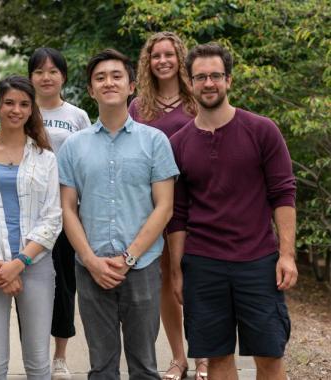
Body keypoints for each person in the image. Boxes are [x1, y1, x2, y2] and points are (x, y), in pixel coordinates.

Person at [167, 42, 298, 380]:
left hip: (258, 262)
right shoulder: (179, 143)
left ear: (229, 80)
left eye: (215, 76)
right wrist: (177, 271)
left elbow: (283, 194)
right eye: (200, 77)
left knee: (269, 357)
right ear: (190, 83)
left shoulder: (262, 130)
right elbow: (177, 214)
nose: (208, 83)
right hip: (203, 265)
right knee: (219, 359)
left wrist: (286, 255)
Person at [58, 48, 178, 379]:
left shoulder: (155, 142)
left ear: (131, 87)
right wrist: (91, 260)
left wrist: (128, 258)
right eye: (100, 78)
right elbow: (67, 207)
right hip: (90, 268)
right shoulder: (73, 146)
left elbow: (164, 206)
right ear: (90, 90)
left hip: (141, 267)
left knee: (143, 364)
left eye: (116, 76)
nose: (108, 82)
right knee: (102, 366)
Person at [0, 75, 61, 379]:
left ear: (31, 110)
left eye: (23, 104)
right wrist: (1, 266)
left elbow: (53, 218)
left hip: (36, 265)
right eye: (9, 103)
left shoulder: (45, 159)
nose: (15, 110)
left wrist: (19, 263)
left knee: (38, 360)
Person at [128, 32, 207, 380]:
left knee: (196, 279)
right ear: (148, 62)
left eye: (169, 54)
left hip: (199, 200)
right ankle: (179, 357)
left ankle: (205, 354)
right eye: (155, 55)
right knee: (166, 280)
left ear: (180, 59)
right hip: (156, 204)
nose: (162, 60)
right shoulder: (139, 106)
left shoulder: (196, 101)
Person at [27, 47, 91, 379]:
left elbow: (85, 163)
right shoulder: (22, 110)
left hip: (66, 212)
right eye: (39, 71)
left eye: (53, 71)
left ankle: (60, 357)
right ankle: (34, 354)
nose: (46, 77)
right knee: (30, 284)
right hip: (27, 214)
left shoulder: (77, 116)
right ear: (31, 78)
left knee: (64, 284)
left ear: (63, 76)